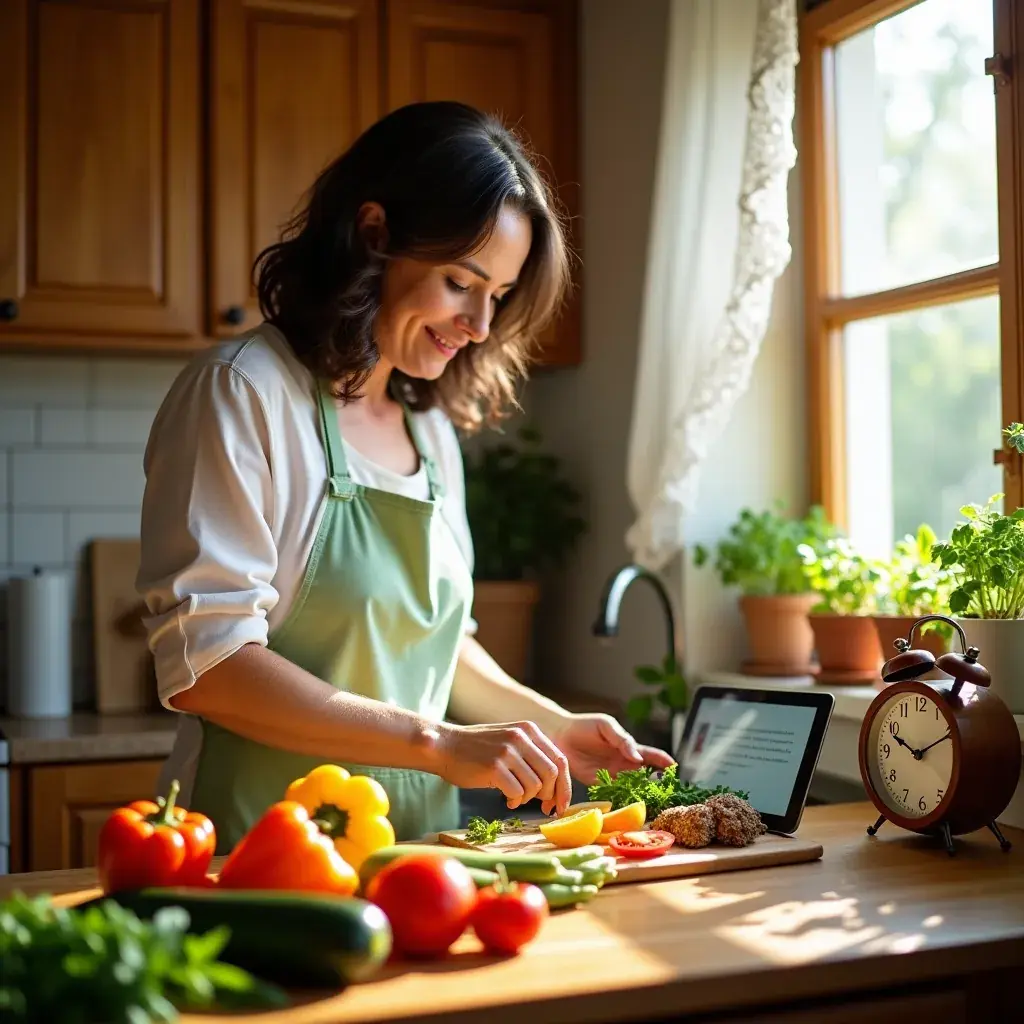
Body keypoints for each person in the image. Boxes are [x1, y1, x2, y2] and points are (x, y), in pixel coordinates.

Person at [137, 101, 673, 852]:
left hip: (412, 853)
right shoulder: (244, 393)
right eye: (461, 282)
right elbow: (209, 665)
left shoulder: (430, 431)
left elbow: (439, 645)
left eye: (500, 296)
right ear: (374, 236)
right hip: (254, 851)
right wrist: (438, 744)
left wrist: (554, 727)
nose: (481, 325)